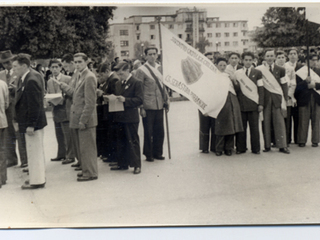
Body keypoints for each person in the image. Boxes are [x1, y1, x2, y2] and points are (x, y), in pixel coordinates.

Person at [60, 53, 98, 181]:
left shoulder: (89, 77)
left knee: (88, 148)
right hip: (79, 117)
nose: (77, 64)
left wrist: (83, 120)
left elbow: (90, 102)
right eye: (75, 62)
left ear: (86, 62)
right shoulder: (80, 76)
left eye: (80, 62)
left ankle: (91, 173)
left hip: (85, 119)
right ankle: (86, 170)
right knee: (83, 147)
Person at [13, 53, 47, 189]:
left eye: (16, 67)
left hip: (33, 124)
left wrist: (31, 125)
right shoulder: (25, 78)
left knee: (35, 153)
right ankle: (36, 178)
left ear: (24, 66)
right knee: (33, 152)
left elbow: (35, 105)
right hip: (29, 123)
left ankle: (37, 181)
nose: (13, 69)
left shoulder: (30, 80)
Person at [135, 45, 169, 162]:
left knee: (159, 130)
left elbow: (163, 86)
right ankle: (149, 154)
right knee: (148, 131)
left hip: (159, 104)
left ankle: (158, 152)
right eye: (150, 54)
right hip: (148, 105)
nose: (152, 56)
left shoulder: (160, 68)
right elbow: (139, 90)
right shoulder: (141, 70)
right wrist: (141, 107)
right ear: (145, 56)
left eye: (154, 54)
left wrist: (166, 100)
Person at [111, 61, 143, 174]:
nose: (119, 76)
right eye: (118, 74)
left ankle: (136, 165)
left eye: (121, 74)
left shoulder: (136, 82)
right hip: (120, 116)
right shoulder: (118, 84)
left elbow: (139, 99)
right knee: (121, 141)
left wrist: (126, 100)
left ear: (127, 70)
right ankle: (122, 163)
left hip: (130, 117)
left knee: (132, 140)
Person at [257, 49, 289, 154]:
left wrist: (284, 99)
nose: (270, 58)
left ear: (275, 57)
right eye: (268, 56)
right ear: (264, 58)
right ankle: (267, 145)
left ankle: (282, 145)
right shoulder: (259, 70)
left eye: (272, 56)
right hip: (265, 99)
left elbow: (284, 85)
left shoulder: (281, 69)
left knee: (279, 122)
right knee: (265, 122)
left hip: (277, 99)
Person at [0, 50, 28, 168]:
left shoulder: (18, 72)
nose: (7, 64)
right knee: (8, 134)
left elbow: (23, 87)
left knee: (19, 133)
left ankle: (24, 160)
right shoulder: (1, 74)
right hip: (5, 108)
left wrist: (15, 88)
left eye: (9, 61)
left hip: (16, 106)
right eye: (4, 63)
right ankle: (11, 159)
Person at [235, 51, 264, 154]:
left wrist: (260, 103)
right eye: (246, 60)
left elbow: (261, 89)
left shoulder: (257, 73)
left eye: (250, 60)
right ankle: (241, 148)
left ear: (253, 61)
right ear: (242, 61)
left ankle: (256, 149)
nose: (248, 62)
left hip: (253, 104)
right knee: (241, 128)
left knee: (254, 129)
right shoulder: (238, 73)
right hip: (241, 104)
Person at [47, 59, 75, 165]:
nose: (54, 69)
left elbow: (72, 92)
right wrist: (49, 100)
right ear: (49, 68)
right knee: (59, 134)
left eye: (56, 67)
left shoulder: (67, 79)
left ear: (60, 68)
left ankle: (71, 155)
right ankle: (61, 154)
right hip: (56, 109)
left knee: (67, 134)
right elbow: (49, 93)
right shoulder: (49, 81)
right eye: (52, 67)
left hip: (65, 109)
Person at [215, 57, 243, 156]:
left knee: (231, 126)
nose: (222, 67)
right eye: (220, 65)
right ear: (216, 66)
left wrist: (234, 81)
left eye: (224, 65)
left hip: (232, 100)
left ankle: (228, 148)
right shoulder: (214, 76)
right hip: (221, 102)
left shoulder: (229, 76)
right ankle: (219, 148)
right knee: (221, 126)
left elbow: (237, 88)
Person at [96, 60, 120, 163]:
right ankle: (109, 155)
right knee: (108, 134)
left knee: (112, 134)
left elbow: (114, 95)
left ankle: (113, 157)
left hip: (112, 112)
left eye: (101, 75)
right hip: (108, 111)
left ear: (106, 71)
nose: (100, 77)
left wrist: (102, 94)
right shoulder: (109, 79)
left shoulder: (113, 79)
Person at [295, 54, 320, 147]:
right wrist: (305, 82)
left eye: (316, 60)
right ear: (306, 62)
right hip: (304, 98)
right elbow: (296, 88)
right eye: (312, 60)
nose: (314, 62)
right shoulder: (300, 72)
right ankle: (301, 140)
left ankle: (315, 140)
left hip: (317, 98)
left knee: (316, 120)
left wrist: (315, 85)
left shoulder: (319, 71)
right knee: (303, 120)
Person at [60, 53, 81, 169]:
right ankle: (79, 159)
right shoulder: (73, 75)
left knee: (77, 138)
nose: (65, 69)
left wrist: (64, 87)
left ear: (72, 63)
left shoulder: (78, 75)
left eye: (67, 66)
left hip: (74, 109)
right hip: (70, 109)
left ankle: (81, 160)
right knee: (73, 137)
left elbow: (75, 93)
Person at [276, 50, 297, 146]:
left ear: (285, 58)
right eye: (279, 58)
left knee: (286, 118)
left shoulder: (290, 69)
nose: (281, 60)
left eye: (282, 57)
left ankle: (287, 140)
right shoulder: (273, 69)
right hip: (276, 96)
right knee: (276, 119)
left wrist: (288, 94)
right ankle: (276, 140)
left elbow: (293, 83)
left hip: (287, 96)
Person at [284, 48, 303, 144]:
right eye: (290, 53)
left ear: (297, 56)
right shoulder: (284, 66)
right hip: (288, 95)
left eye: (294, 53)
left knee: (297, 117)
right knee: (287, 118)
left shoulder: (301, 67)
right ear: (288, 56)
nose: (292, 55)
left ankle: (297, 138)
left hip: (298, 96)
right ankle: (287, 139)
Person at [198, 52, 216, 153]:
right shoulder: (200, 72)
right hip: (203, 102)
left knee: (214, 125)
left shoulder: (216, 72)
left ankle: (213, 146)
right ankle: (204, 147)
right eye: (208, 58)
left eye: (212, 59)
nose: (210, 60)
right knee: (204, 125)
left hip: (214, 102)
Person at [0, 79, 9, 188]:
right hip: (2, 120)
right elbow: (7, 104)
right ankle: (2, 177)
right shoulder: (3, 84)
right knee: (1, 149)